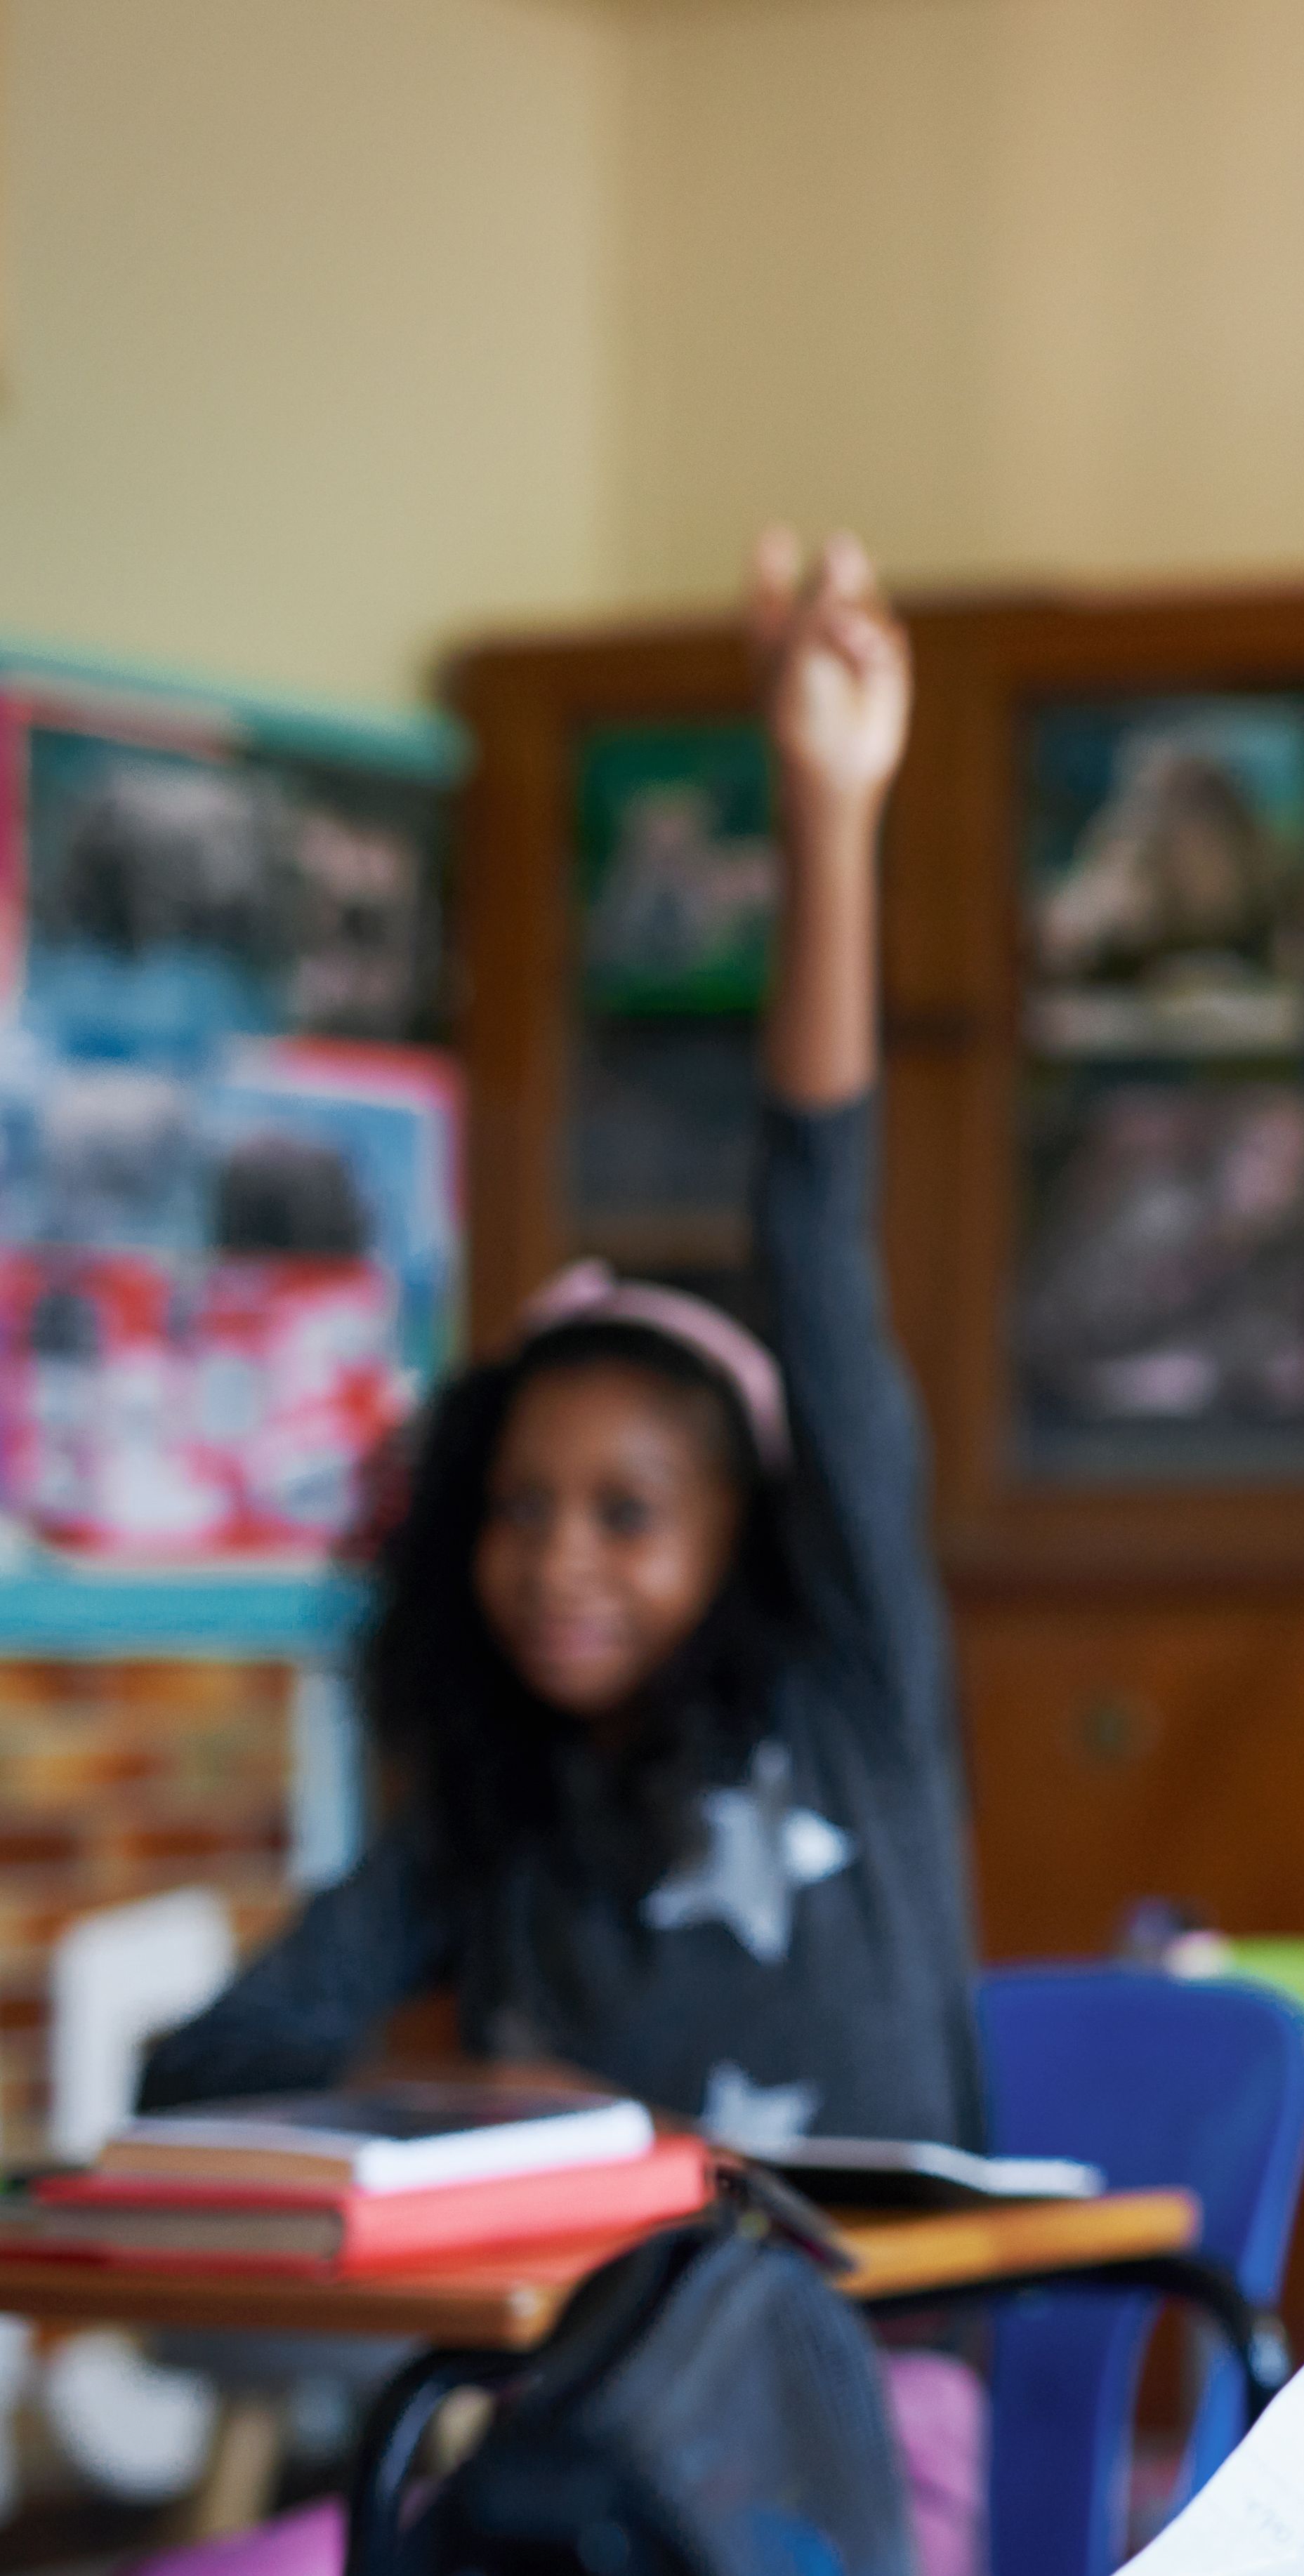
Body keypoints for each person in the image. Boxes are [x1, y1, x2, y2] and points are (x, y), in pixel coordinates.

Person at [142, 533, 979, 2156]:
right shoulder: (491, 1820)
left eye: (626, 1514)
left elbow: (811, 1220)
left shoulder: (846, 1689)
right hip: (580, 2389)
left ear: (753, 1535)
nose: (556, 1563)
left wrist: (825, 809)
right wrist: (457, 2104)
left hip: (876, 2373)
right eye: (518, 1513)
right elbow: (201, 2069)